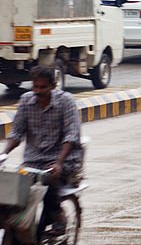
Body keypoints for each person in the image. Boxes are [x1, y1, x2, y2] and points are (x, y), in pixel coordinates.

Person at [2, 66, 83, 236]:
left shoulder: (66, 101)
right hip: (33, 160)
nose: (38, 91)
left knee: (47, 181)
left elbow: (72, 135)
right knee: (11, 187)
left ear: (53, 85)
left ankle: (58, 218)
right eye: (35, 87)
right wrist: (3, 154)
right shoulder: (26, 101)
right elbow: (17, 133)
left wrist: (59, 163)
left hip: (63, 159)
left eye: (42, 87)